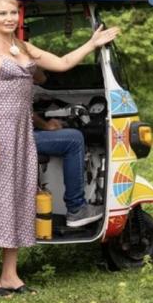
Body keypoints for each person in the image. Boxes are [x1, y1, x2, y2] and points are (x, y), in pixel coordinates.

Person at [0, 0, 119, 296]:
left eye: (13, 12)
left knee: (21, 196)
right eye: (2, 13)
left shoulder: (22, 46)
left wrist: (92, 44)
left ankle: (10, 275)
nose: (9, 18)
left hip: (23, 131)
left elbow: (62, 63)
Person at [32, 67, 100, 228]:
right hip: (17, 137)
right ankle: (76, 209)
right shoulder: (22, 60)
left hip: (8, 133)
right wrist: (46, 126)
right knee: (74, 139)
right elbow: (43, 77)